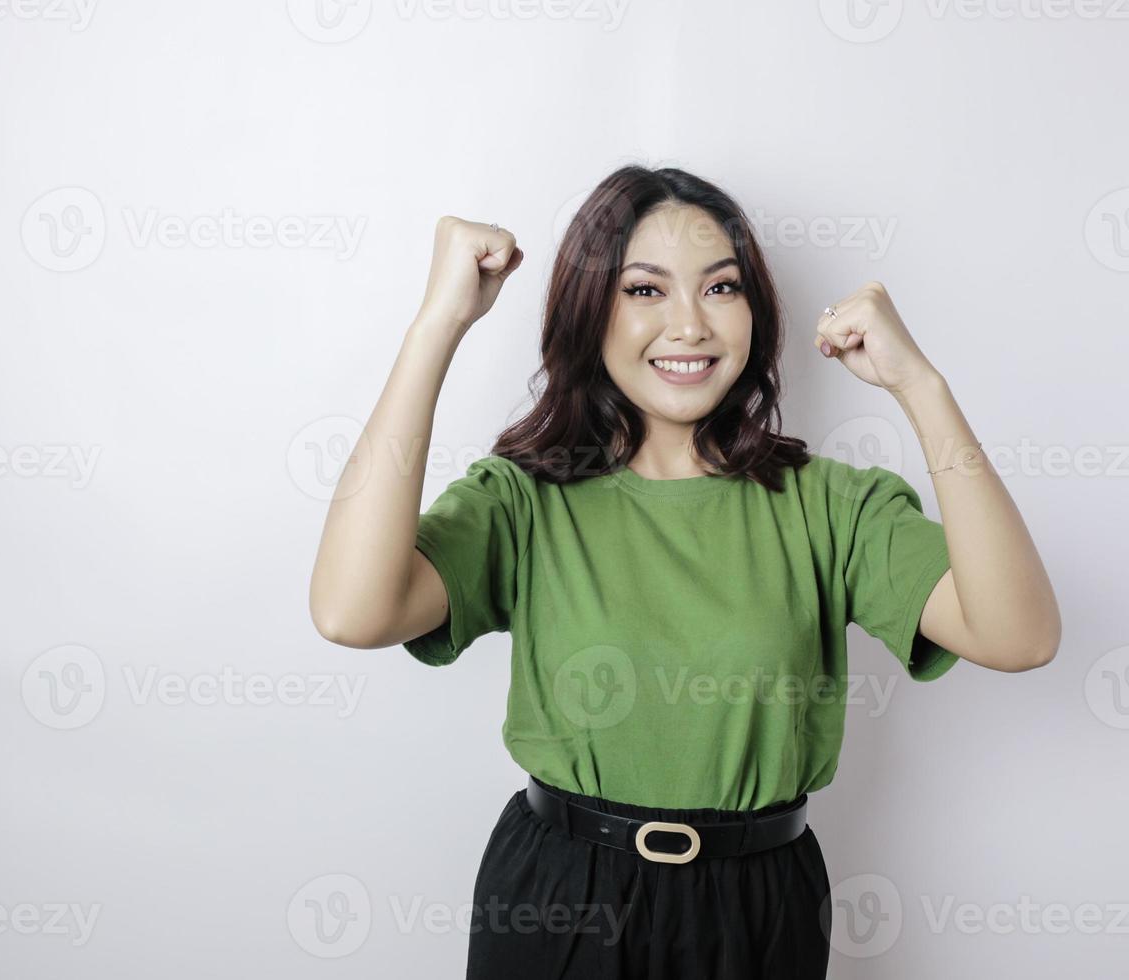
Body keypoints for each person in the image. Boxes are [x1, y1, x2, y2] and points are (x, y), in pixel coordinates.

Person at [308, 164, 1061, 979]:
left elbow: (1017, 635)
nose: (690, 325)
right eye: (644, 290)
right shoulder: (526, 500)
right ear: (589, 311)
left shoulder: (831, 506)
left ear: (755, 310)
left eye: (721, 287)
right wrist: (436, 325)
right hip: (560, 898)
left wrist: (922, 386)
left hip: (761, 910)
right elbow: (353, 612)